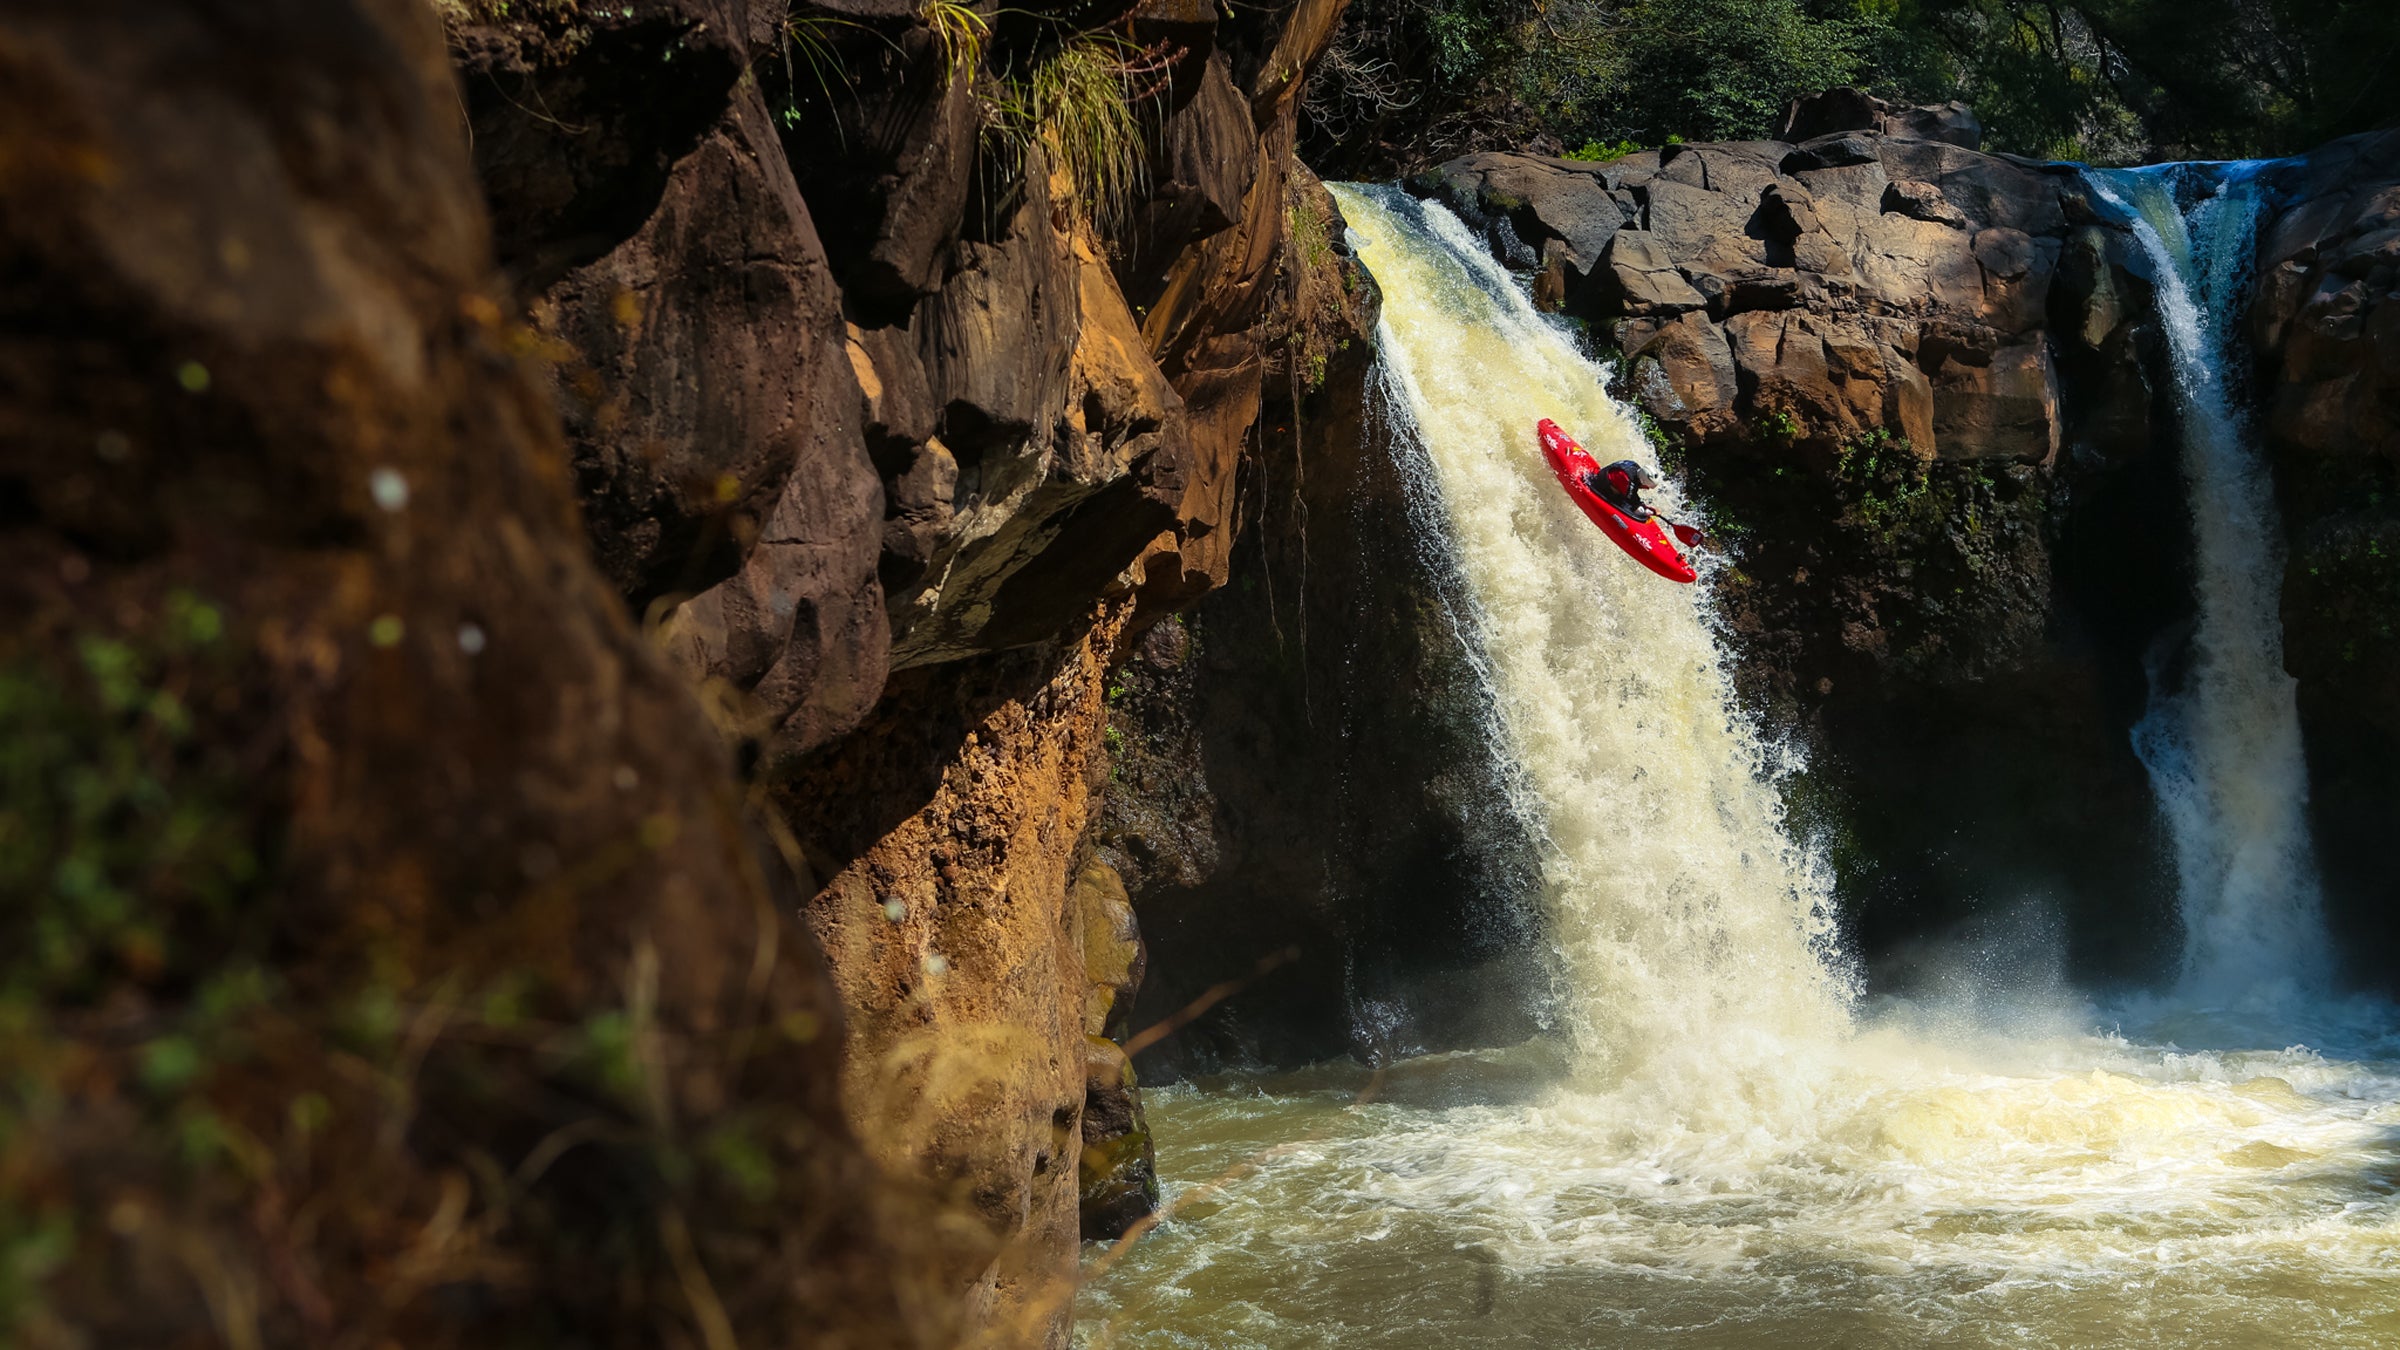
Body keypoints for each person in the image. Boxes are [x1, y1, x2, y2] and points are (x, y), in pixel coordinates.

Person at [1585, 459, 1658, 521]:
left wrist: (1646, 508)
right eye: (1646, 487)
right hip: (1599, 486)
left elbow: (1633, 497)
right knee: (1625, 504)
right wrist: (1648, 512)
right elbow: (1636, 507)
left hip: (1602, 476)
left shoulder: (1635, 466)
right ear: (1642, 481)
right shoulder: (1626, 480)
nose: (1647, 489)